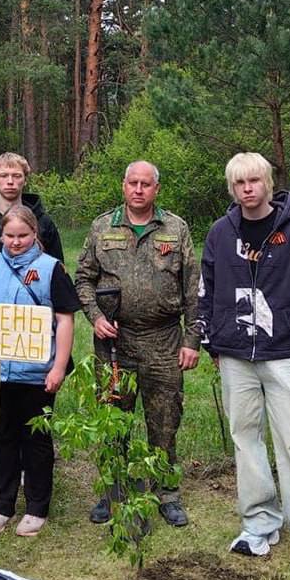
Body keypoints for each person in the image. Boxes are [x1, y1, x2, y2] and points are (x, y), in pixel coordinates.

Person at [197, 152, 290, 566]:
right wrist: (213, 341)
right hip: (235, 352)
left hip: (284, 352)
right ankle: (259, 521)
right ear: (232, 188)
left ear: (268, 183)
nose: (248, 188)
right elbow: (206, 288)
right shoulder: (221, 233)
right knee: (246, 438)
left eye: (255, 181)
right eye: (240, 182)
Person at [75, 160, 200, 527]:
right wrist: (95, 316)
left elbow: (193, 289)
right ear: (123, 186)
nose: (139, 189)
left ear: (156, 189)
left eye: (147, 184)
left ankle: (166, 491)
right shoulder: (102, 227)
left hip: (163, 339)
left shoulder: (176, 228)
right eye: (133, 183)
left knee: (164, 419)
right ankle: (112, 490)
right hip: (115, 340)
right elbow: (83, 278)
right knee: (114, 418)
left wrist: (192, 338)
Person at [0, 206, 80, 537]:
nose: (16, 242)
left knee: (36, 440)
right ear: (2, 234)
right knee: (0, 437)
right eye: (10, 236)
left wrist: (58, 367)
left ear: (34, 235)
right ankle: (1, 506)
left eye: (23, 236)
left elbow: (65, 319)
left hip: (36, 373)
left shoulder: (50, 268)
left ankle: (36, 507)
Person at [0, 152, 64, 264]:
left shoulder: (43, 223)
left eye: (16, 176)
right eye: (3, 176)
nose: (10, 182)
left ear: (25, 180)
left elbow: (57, 270)